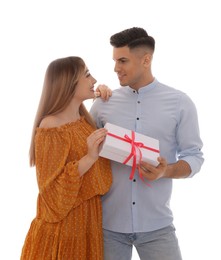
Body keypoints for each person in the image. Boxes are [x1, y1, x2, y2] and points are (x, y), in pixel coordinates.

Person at [90, 27, 204, 260]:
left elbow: (194, 156)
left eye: (122, 60)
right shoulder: (103, 104)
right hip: (108, 226)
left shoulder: (180, 103)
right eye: (114, 61)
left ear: (146, 60)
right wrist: (87, 95)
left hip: (157, 226)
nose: (115, 68)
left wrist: (167, 171)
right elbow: (82, 147)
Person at [20, 56, 112, 260]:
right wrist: (89, 157)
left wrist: (107, 96)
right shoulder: (50, 126)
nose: (94, 79)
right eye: (87, 74)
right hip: (65, 228)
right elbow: (50, 191)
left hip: (87, 223)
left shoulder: (82, 120)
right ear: (68, 82)